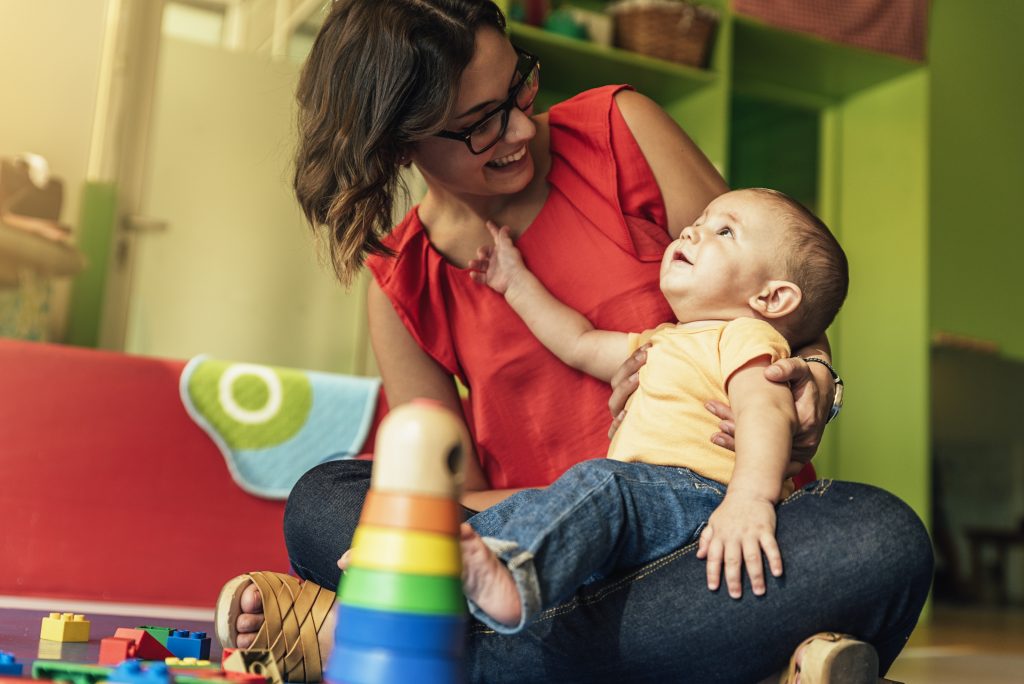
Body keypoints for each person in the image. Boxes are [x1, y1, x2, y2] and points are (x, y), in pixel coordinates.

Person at [215, 1, 933, 682]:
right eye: (480, 124)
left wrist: (816, 382)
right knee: (324, 499)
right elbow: (450, 497)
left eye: (518, 89)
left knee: (882, 540)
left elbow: (776, 284)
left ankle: (382, 641)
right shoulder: (404, 284)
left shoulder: (622, 130)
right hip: (528, 549)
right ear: (400, 146)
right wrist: (583, 514)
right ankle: (738, 662)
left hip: (714, 535)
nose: (521, 130)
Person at [459, 186, 848, 633]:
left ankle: (511, 582)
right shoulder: (662, 340)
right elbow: (578, 342)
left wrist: (749, 498)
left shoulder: (747, 337)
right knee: (539, 504)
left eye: (724, 231)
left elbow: (767, 412)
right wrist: (514, 282)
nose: (693, 230)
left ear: (771, 299)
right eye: (700, 219)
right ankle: (425, 560)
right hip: (649, 502)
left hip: (707, 499)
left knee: (598, 484)